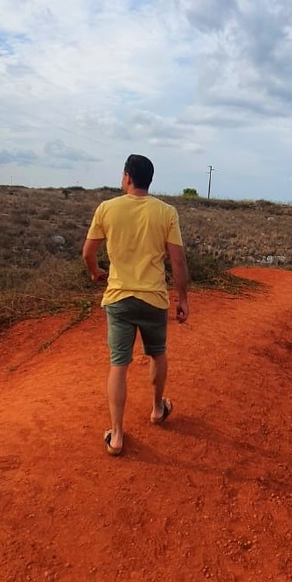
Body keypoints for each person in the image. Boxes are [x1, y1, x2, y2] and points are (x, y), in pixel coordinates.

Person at [82, 154, 189, 456]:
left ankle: (116, 436)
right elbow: (178, 260)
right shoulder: (166, 212)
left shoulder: (107, 208)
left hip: (118, 299)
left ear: (127, 177)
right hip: (154, 299)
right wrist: (182, 299)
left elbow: (88, 253)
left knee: (119, 365)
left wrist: (95, 273)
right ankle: (157, 409)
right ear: (149, 180)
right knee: (157, 353)